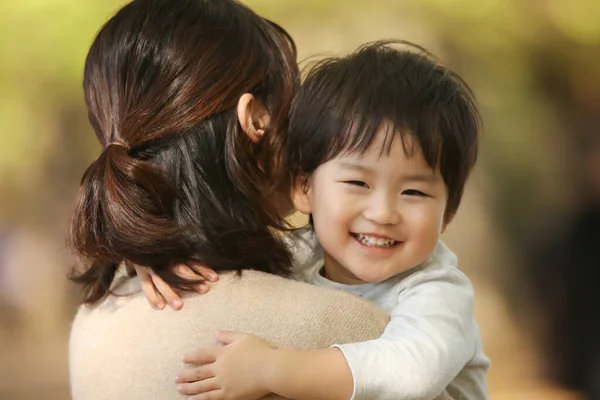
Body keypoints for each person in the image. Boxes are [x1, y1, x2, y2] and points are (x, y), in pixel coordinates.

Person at [67, 1, 405, 399]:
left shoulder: (97, 318)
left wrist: (145, 243)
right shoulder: (351, 339)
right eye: (293, 107)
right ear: (255, 119)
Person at [171, 42, 490, 400]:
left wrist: (268, 369)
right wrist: (160, 258)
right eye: (358, 183)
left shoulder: (438, 292)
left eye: (414, 192)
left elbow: (409, 372)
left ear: (448, 212)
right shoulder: (299, 253)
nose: (383, 213)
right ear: (304, 186)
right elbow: (225, 260)